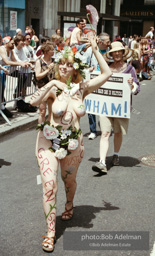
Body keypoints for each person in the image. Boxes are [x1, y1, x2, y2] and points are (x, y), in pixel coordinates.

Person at [30, 37, 112, 252]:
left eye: (70, 63)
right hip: (48, 141)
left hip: (74, 144)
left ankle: (69, 204)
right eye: (62, 63)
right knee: (49, 185)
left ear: (75, 67)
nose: (65, 67)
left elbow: (107, 74)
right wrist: (52, 83)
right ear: (58, 65)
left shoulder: (81, 88)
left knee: (69, 182)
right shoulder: (52, 88)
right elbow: (32, 101)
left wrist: (95, 50)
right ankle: (50, 232)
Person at [92, 41, 140, 174]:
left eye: (119, 51)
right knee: (105, 133)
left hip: (121, 107)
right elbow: (97, 82)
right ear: (111, 54)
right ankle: (102, 162)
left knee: (118, 132)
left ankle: (116, 154)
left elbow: (137, 89)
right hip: (105, 106)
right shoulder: (105, 67)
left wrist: (131, 85)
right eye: (114, 52)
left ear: (123, 53)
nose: (117, 54)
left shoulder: (130, 69)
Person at [84, 32, 111, 140]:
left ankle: (105, 127)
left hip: (106, 81)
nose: (109, 43)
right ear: (100, 41)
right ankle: (93, 130)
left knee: (104, 106)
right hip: (93, 81)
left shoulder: (110, 52)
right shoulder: (90, 51)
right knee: (91, 106)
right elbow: (84, 65)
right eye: (107, 41)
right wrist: (88, 69)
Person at [0, 37, 27, 117]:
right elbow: (7, 62)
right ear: (6, 43)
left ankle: (16, 93)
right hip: (2, 72)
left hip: (8, 70)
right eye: (12, 43)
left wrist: (24, 63)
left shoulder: (11, 51)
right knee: (2, 88)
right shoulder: (2, 49)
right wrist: (20, 64)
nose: (13, 44)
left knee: (23, 75)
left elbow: (15, 60)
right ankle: (2, 105)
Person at [35, 43, 55, 124]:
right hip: (42, 88)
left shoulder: (54, 61)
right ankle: (41, 129)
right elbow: (38, 76)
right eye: (52, 50)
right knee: (42, 111)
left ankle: (51, 129)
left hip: (53, 88)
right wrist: (48, 69)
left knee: (53, 111)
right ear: (46, 52)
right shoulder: (39, 62)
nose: (53, 51)